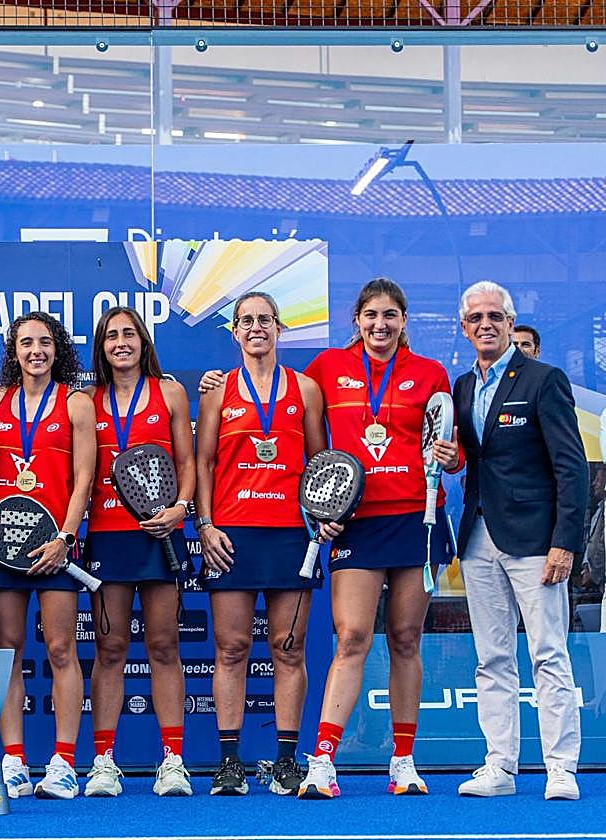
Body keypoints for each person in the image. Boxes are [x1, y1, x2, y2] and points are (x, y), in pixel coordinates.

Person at [295, 278, 460, 799]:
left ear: (404, 320)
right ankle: (322, 760)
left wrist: (451, 460)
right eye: (371, 316)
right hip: (356, 522)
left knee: (407, 640)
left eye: (390, 315)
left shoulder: (431, 374)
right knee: (352, 639)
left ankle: (403, 760)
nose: (380, 325)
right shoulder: (326, 369)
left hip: (416, 517)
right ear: (356, 321)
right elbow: (282, 410)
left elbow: (447, 448)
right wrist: (215, 384)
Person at [448, 281, 587, 801]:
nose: (485, 324)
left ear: (510, 324)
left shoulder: (544, 379)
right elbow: (469, 457)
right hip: (479, 536)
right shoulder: (462, 387)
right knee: (492, 658)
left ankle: (561, 768)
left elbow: (571, 466)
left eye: (495, 316)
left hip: (536, 541)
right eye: (475, 317)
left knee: (548, 653)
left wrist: (565, 541)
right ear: (464, 329)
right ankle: (500, 767)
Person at [193, 292, 333, 798]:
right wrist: (205, 525)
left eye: (265, 320)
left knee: (287, 649)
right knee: (231, 648)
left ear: (280, 329)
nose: (256, 328)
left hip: (292, 535)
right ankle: (229, 762)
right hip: (231, 534)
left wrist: (324, 518)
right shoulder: (216, 390)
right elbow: (203, 463)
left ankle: (286, 761)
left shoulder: (306, 389)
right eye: (247, 321)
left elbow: (321, 462)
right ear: (235, 332)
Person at [82, 306, 195, 798]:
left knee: (164, 646)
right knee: (109, 649)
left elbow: (187, 462)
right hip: (107, 535)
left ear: (143, 341)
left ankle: (173, 760)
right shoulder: (87, 401)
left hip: (161, 535)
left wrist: (181, 509)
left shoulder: (169, 392)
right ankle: (104, 761)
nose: (121, 342)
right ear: (102, 348)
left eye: (129, 333)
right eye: (111, 336)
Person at [0, 312, 95, 800]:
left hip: (57, 549)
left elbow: (84, 479)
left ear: (57, 350)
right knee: (8, 654)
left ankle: (63, 762)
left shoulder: (76, 403)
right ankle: (13, 759)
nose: (36, 351)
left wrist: (65, 539)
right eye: (26, 343)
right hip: (7, 550)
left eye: (44, 343)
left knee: (60, 651)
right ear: (14, 350)